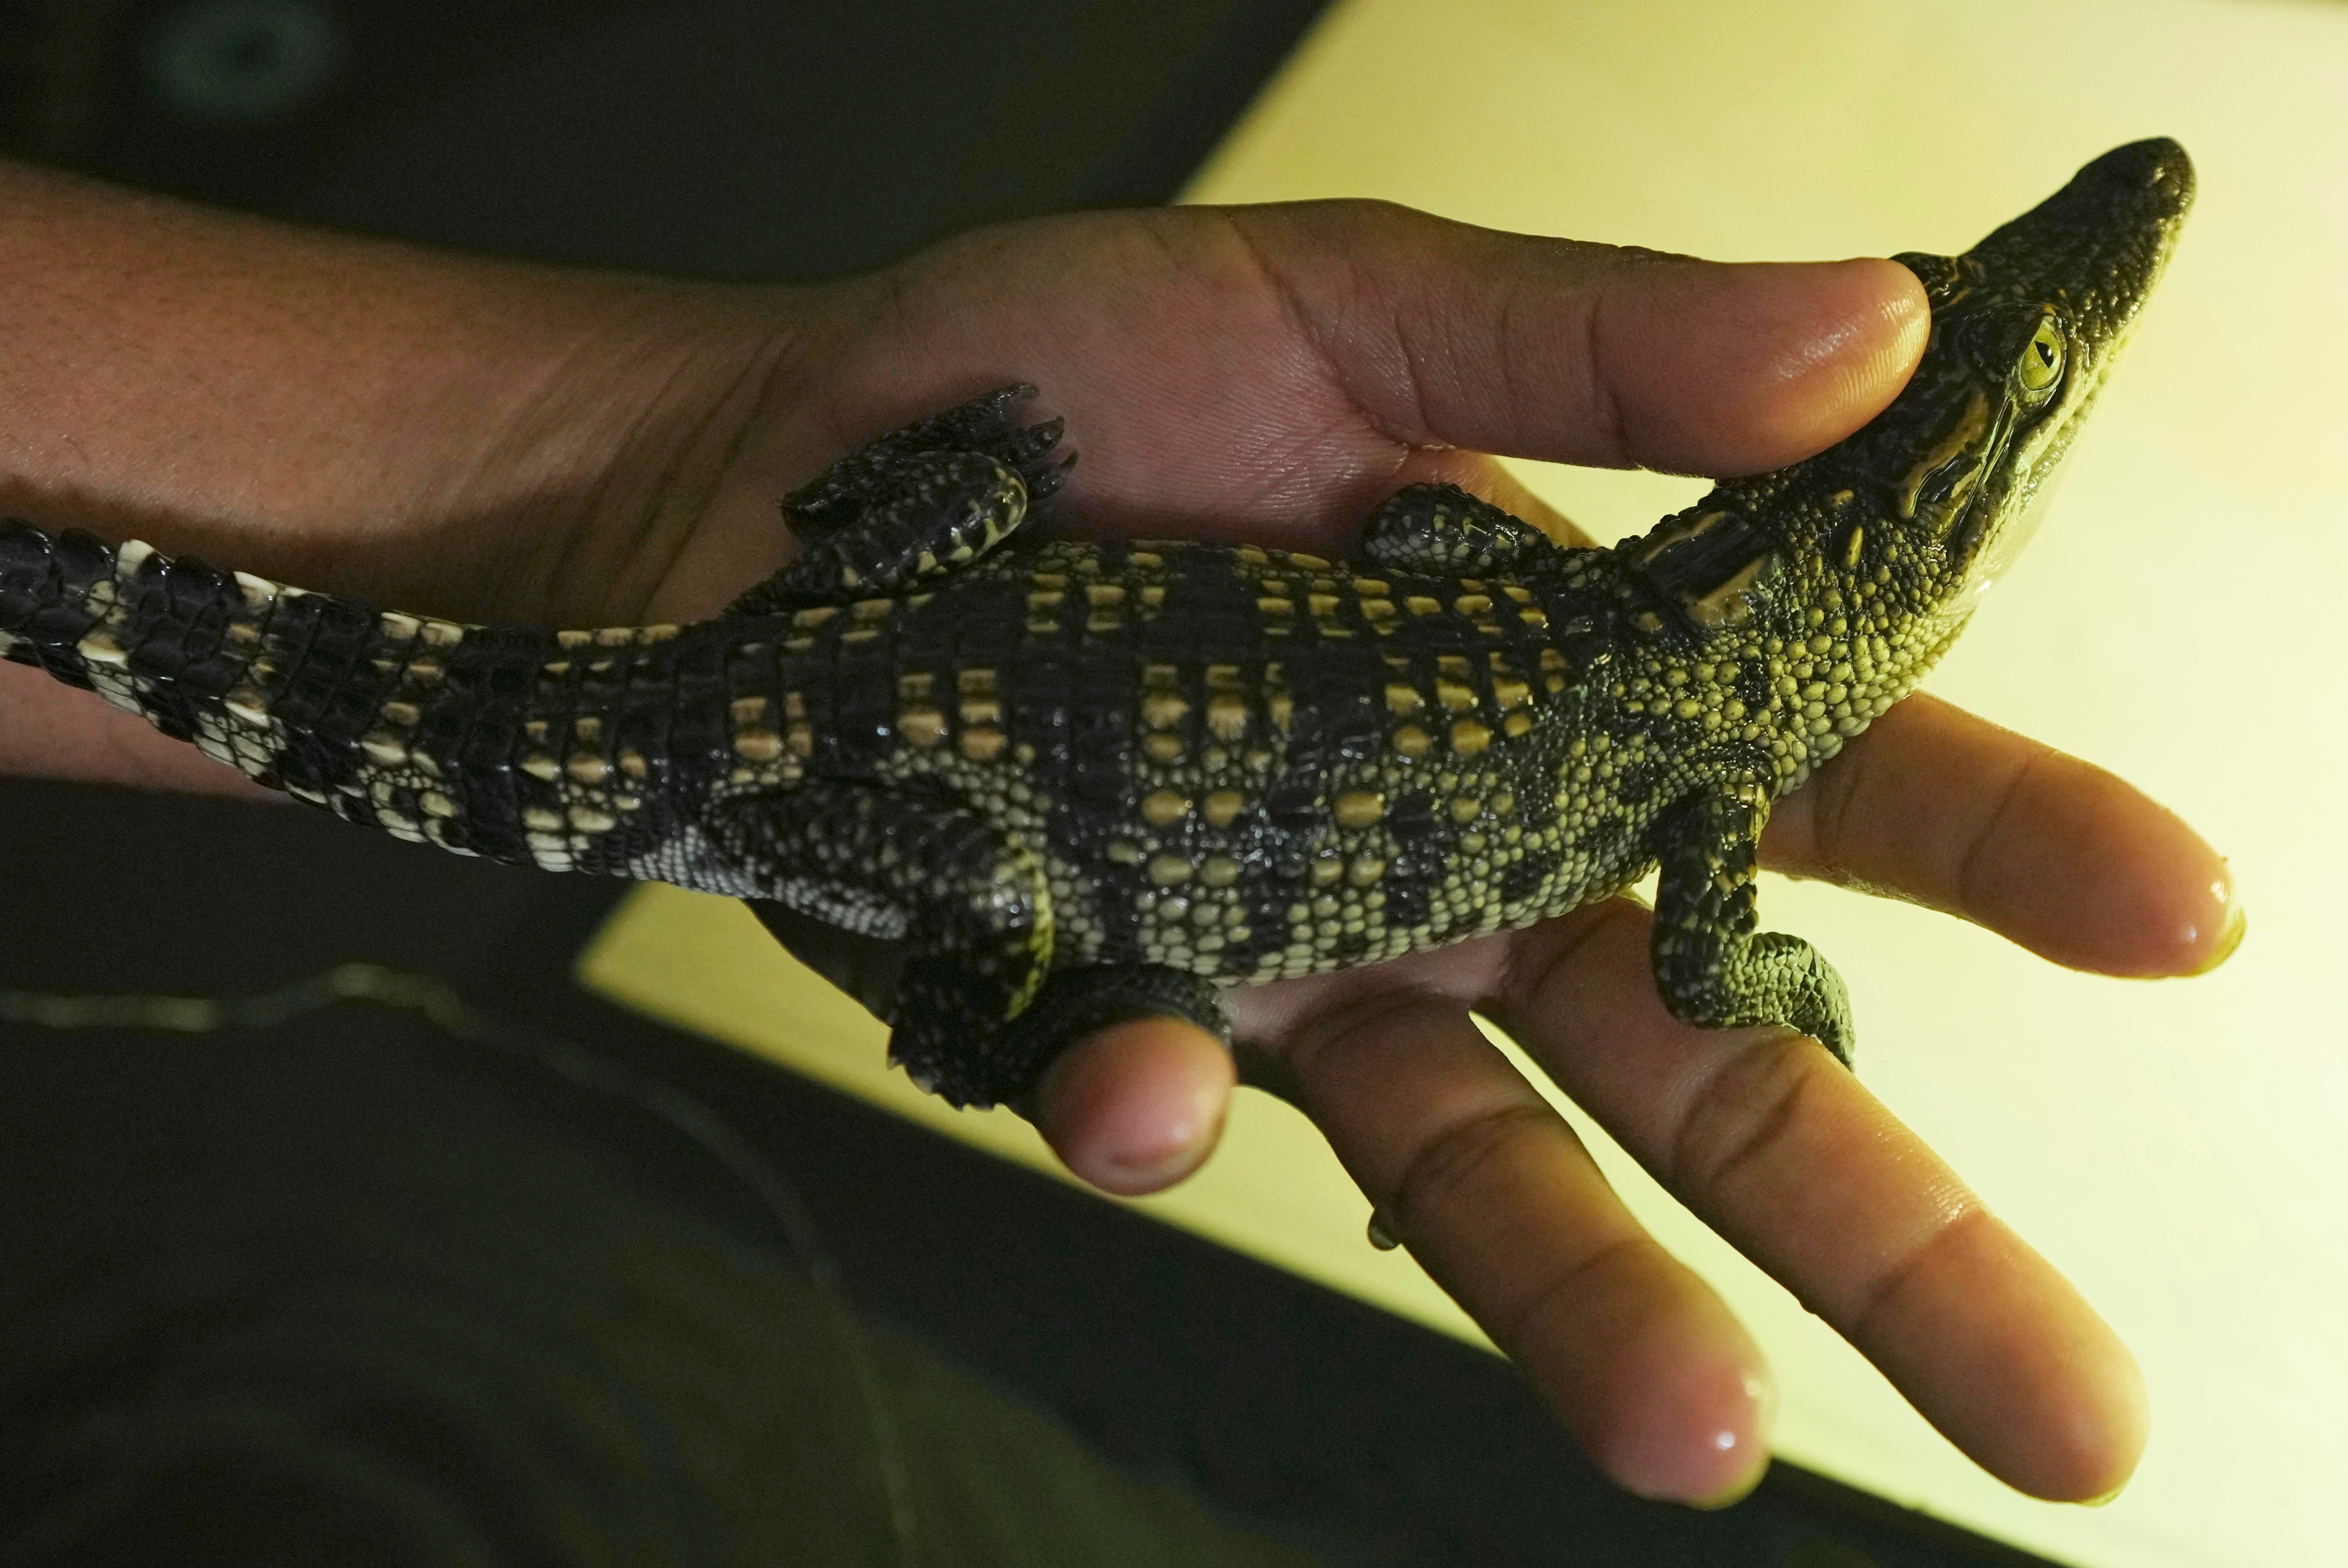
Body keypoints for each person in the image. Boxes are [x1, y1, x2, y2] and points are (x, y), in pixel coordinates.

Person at [0, 158, 2237, 1510]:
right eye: (2028, 391)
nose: (2073, 322)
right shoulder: (1695, 742)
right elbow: (1694, 964)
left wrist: (711, 471)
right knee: (1033, 987)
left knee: (931, 655)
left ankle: (1007, 964)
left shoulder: (1620, 635)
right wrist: (1771, 980)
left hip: (874, 630)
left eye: (2016, 389)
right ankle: (992, 1016)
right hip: (868, 767)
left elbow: (1429, 567)